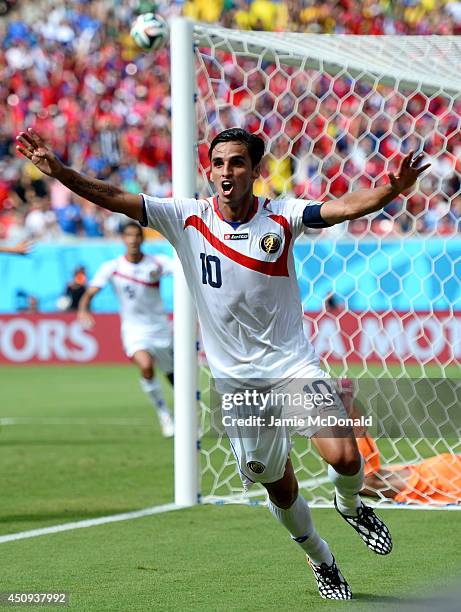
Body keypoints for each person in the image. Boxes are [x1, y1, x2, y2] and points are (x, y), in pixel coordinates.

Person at [16, 126, 429, 600]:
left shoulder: (282, 216)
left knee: (345, 456)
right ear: (209, 171)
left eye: (236, 162)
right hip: (238, 384)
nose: (225, 171)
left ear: (255, 170)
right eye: (217, 163)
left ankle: (350, 503)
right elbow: (112, 196)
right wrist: (62, 172)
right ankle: (321, 557)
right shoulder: (185, 217)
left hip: (292, 365)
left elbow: (340, 208)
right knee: (278, 487)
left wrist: (392, 190)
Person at [77, 221, 175, 438]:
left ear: (142, 238)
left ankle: (189, 417)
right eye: (128, 236)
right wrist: (83, 310)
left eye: (136, 235)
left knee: (174, 377)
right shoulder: (112, 267)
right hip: (134, 331)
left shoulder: (157, 263)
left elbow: (181, 269)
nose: (133, 240)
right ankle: (164, 415)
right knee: (146, 366)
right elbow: (90, 293)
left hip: (160, 329)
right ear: (123, 239)